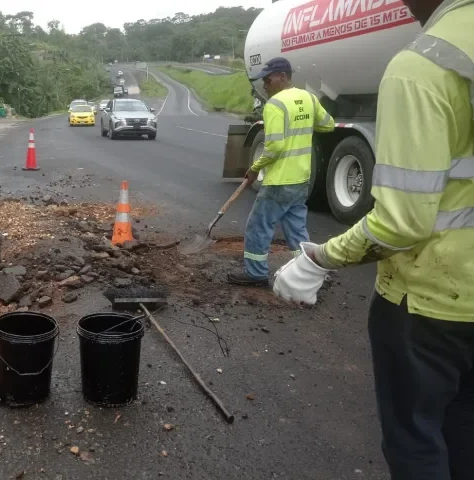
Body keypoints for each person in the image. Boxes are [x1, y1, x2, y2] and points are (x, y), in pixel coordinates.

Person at [274, 0, 474, 478]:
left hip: (430, 306)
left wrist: (318, 259)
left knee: (416, 440)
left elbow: (403, 224)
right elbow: (324, 126)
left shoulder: (424, 64)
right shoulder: (309, 100)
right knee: (465, 433)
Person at [227, 57, 334, 287]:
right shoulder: (308, 98)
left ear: (283, 76)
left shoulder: (275, 105)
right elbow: (328, 125)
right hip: (302, 178)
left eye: (268, 79)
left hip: (279, 181)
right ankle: (308, 272)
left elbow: (274, 146)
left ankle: (255, 273)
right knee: (296, 228)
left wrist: (254, 168)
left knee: (258, 226)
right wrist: (302, 127)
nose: (264, 84)